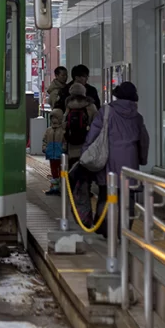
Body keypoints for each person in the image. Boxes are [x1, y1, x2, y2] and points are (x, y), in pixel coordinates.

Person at [83, 81, 149, 238]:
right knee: (128, 199)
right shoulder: (137, 117)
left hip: (108, 161)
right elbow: (144, 140)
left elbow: (93, 135)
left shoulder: (106, 112)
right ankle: (124, 231)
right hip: (130, 164)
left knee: (105, 195)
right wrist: (142, 159)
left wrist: (85, 153)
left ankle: (104, 228)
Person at [62, 83, 99, 223]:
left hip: (71, 151)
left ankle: (76, 210)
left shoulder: (69, 106)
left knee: (73, 183)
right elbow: (97, 127)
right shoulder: (90, 107)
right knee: (85, 183)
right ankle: (85, 215)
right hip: (86, 151)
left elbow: (63, 125)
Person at [41, 108, 66, 195]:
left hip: (59, 155)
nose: (54, 120)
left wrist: (63, 149)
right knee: (53, 171)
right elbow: (44, 140)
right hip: (51, 154)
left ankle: (60, 188)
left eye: (56, 117)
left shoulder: (63, 130)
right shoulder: (49, 130)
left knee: (61, 172)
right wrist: (44, 148)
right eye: (52, 118)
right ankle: (54, 187)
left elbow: (65, 141)